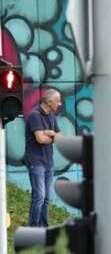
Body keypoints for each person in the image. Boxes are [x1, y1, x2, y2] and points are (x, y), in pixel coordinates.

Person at [24, 89, 62, 227]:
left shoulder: (51, 116)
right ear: (48, 101)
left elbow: (60, 137)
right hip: (36, 162)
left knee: (46, 198)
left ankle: (44, 228)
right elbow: (40, 139)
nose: (60, 103)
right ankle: (33, 229)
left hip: (48, 162)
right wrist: (51, 136)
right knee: (39, 197)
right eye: (57, 100)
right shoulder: (35, 115)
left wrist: (50, 133)